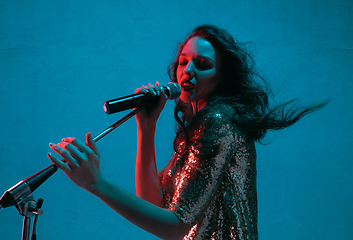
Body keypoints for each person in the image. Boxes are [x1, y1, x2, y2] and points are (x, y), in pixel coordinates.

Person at [47, 24, 326, 240]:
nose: (188, 71)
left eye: (202, 65)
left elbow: (175, 228)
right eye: (183, 62)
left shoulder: (218, 122)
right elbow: (153, 204)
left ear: (222, 78)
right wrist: (146, 127)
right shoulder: (196, 130)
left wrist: (96, 183)